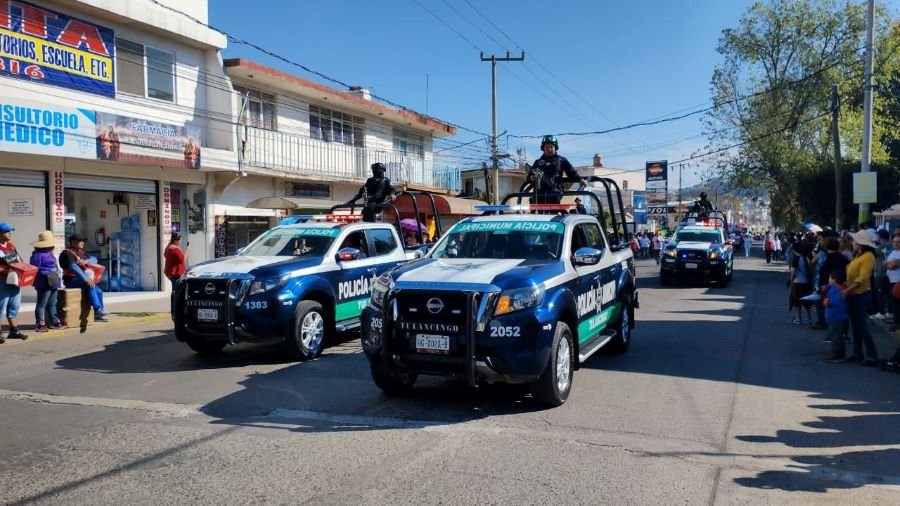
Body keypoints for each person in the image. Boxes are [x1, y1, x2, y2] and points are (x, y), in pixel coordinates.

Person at [839, 230, 879, 365]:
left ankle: (872, 355)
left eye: (854, 240)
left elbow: (862, 278)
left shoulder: (868, 256)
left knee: (861, 325)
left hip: (862, 294)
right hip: (852, 294)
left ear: (861, 243)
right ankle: (858, 353)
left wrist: (847, 290)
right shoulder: (858, 256)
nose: (852, 242)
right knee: (855, 325)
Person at [59, 234, 109, 322]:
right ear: (73, 242)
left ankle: (99, 313)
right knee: (90, 286)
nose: (83, 243)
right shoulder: (67, 253)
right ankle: (97, 309)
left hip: (81, 279)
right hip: (71, 280)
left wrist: (87, 261)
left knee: (99, 291)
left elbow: (94, 259)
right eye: (80, 241)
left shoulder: (81, 252)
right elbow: (74, 267)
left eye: (83, 241)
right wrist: (86, 280)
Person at [528, 135, 587, 204]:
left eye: (551, 147)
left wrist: (580, 179)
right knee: (536, 214)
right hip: (539, 195)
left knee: (553, 213)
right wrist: (531, 178)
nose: (549, 149)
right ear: (543, 148)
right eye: (547, 147)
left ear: (555, 148)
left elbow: (572, 172)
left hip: (554, 193)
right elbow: (530, 176)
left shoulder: (561, 160)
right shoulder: (537, 162)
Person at [30, 231, 63, 332]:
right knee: (42, 303)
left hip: (52, 278)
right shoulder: (37, 255)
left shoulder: (49, 254)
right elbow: (35, 268)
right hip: (44, 281)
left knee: (52, 302)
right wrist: (48, 272)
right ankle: (40, 323)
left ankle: (54, 321)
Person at [0, 223, 27, 342]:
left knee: (14, 306)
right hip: (2, 281)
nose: (10, 233)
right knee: (0, 307)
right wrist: (6, 270)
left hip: (14, 280)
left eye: (10, 231)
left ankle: (14, 330)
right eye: (7, 231)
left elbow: (16, 260)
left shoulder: (11, 245)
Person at [824, 270, 850, 362]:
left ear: (834, 280)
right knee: (839, 335)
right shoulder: (840, 288)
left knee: (835, 336)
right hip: (838, 316)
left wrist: (827, 301)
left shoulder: (836, 290)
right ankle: (841, 353)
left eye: (830, 278)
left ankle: (837, 354)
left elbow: (836, 301)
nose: (829, 280)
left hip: (835, 317)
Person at [789, 242, 814, 324]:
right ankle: (809, 318)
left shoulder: (795, 259)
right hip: (806, 282)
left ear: (794, 250)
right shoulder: (806, 258)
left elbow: (793, 272)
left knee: (797, 302)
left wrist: (791, 281)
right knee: (807, 302)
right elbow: (810, 269)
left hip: (797, 282)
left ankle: (798, 318)